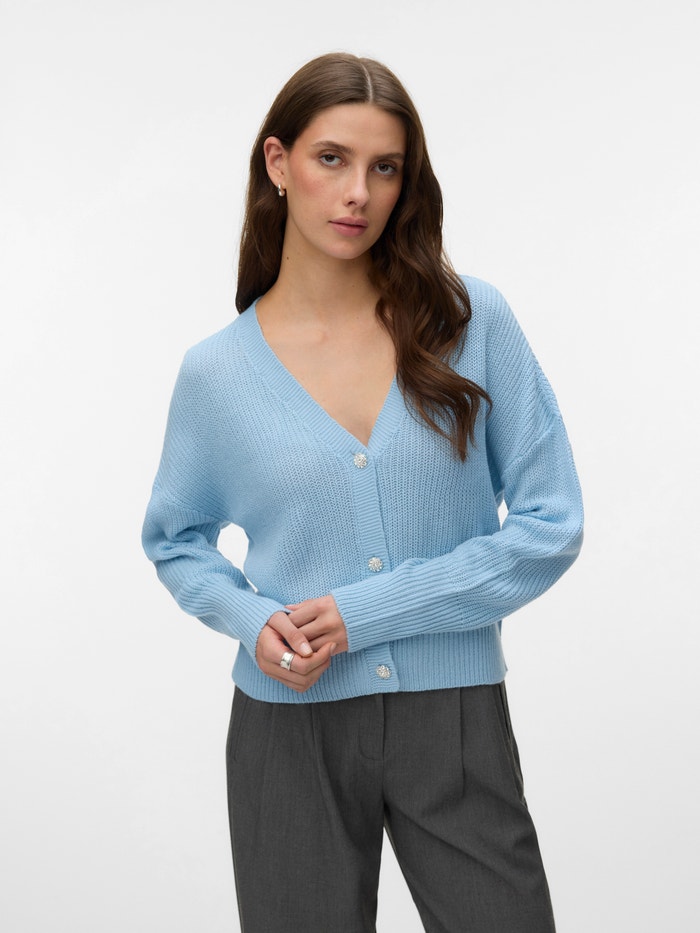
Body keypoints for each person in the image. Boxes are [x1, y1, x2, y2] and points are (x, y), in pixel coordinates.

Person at [142, 52, 583, 933]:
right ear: (278, 163)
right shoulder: (217, 372)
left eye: (385, 168)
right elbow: (175, 540)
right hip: (287, 729)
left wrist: (364, 613)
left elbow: (550, 525)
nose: (358, 194)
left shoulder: (469, 322)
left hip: (453, 718)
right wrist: (250, 620)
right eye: (332, 159)